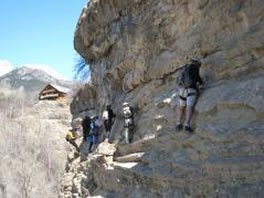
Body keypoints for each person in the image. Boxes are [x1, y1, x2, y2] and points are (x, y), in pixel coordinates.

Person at [176, 59, 203, 132]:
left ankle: (178, 123)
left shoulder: (185, 68)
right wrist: (201, 84)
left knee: (181, 106)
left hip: (182, 90)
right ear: (197, 64)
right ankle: (187, 124)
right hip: (191, 90)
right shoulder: (194, 68)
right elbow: (197, 78)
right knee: (189, 107)